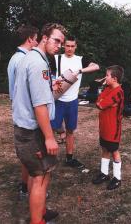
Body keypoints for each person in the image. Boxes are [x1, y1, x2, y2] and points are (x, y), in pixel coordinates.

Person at [12, 23, 67, 224]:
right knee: (40, 177)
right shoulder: (38, 64)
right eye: (56, 40)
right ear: (44, 37)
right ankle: (37, 221)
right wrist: (50, 137)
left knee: (42, 174)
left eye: (61, 42)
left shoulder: (29, 58)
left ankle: (41, 212)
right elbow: (40, 105)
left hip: (25, 129)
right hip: (32, 132)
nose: (59, 45)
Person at [51, 36, 100, 168]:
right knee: (51, 129)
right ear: (63, 46)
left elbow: (95, 66)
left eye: (72, 46)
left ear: (76, 46)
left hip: (72, 101)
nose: (70, 49)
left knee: (71, 131)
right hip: (58, 100)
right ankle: (48, 159)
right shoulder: (56, 58)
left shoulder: (80, 60)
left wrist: (79, 70)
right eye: (67, 46)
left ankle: (69, 158)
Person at [7, 24, 39, 197]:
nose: (37, 42)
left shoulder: (15, 58)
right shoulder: (22, 60)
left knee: (27, 155)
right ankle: (29, 190)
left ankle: (25, 186)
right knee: (32, 156)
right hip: (26, 115)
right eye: (36, 38)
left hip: (20, 112)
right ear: (30, 39)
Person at [92, 65, 124, 190]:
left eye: (107, 76)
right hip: (104, 126)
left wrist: (102, 102)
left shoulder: (118, 92)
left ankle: (117, 178)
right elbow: (98, 101)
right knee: (105, 148)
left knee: (114, 151)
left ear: (114, 78)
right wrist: (101, 101)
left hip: (113, 128)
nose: (105, 78)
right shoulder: (108, 88)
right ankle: (104, 173)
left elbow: (101, 104)